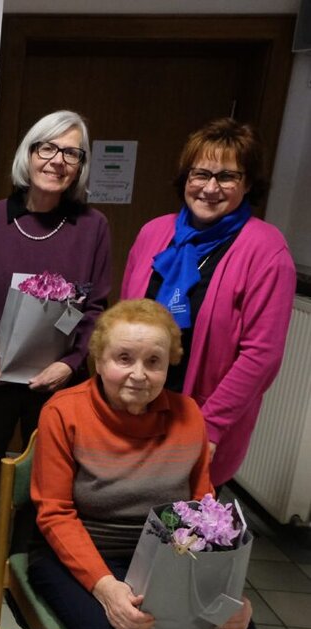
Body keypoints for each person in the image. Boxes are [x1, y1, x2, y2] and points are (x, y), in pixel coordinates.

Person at [28, 299, 261, 629]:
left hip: (171, 562)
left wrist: (230, 594)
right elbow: (55, 514)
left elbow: (206, 510)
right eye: (124, 359)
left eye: (154, 361)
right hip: (80, 558)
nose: (139, 374)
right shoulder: (63, 413)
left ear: (169, 365)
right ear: (99, 360)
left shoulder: (189, 416)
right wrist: (106, 588)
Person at [120, 118, 296, 488]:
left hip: (200, 417)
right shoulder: (154, 232)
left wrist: (210, 425)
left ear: (248, 184)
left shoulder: (266, 250)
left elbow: (261, 355)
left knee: (176, 531)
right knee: (119, 515)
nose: (211, 188)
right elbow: (123, 322)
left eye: (227, 177)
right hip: (134, 406)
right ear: (186, 177)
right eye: (201, 173)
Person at [0, 110, 110, 495]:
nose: (57, 160)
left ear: (80, 166)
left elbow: (95, 307)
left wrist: (70, 364)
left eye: (71, 153)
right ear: (29, 154)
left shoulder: (93, 227)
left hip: (57, 384)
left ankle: (28, 554)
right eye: (48, 148)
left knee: (48, 482)